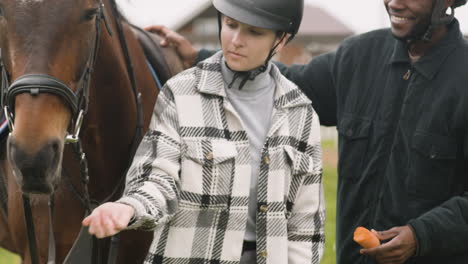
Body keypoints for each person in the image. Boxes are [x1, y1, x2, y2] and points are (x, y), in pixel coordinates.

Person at [146, 0, 468, 263]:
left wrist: (420, 237)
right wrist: (195, 56)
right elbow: (285, 84)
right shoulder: (358, 56)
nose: (395, 2)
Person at [82, 0, 326, 263]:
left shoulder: (300, 113)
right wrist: (129, 207)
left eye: (254, 32)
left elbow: (305, 225)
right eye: (231, 25)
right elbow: (158, 179)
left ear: (281, 39)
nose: (235, 40)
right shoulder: (181, 93)